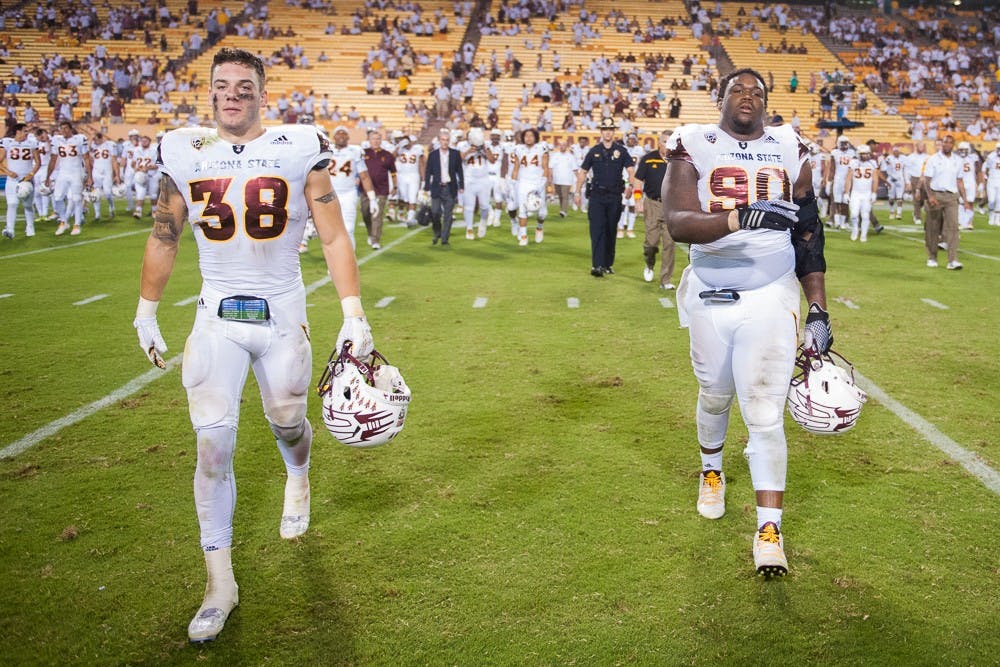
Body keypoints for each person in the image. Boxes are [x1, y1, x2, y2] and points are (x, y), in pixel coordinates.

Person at [132, 47, 376, 643]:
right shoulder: (183, 151)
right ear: (210, 93)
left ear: (262, 93)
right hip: (216, 312)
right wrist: (145, 311)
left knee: (288, 419)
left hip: (282, 310)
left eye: (244, 85)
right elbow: (165, 237)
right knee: (212, 448)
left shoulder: (297, 146)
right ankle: (220, 584)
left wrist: (353, 313)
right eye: (222, 85)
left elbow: (334, 233)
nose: (231, 94)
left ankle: (299, 473)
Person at [662, 68, 832, 577]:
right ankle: (711, 469)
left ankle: (769, 527)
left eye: (757, 91)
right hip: (711, 293)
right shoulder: (694, 143)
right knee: (714, 392)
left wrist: (818, 305)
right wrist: (742, 216)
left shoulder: (789, 145)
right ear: (719, 98)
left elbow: (808, 231)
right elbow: (677, 221)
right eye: (737, 89)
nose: (747, 96)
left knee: (763, 412)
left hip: (769, 293)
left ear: (767, 104)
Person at [575, 117, 635, 277]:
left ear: (613, 131)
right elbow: (583, 172)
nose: (607, 132)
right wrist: (577, 192)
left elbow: (630, 169)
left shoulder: (621, 151)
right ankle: (597, 265)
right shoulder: (593, 151)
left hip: (614, 196)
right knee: (596, 230)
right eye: (605, 129)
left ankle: (608, 264)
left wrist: (631, 185)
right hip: (596, 196)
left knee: (610, 230)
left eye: (610, 130)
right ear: (601, 132)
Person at [632, 130, 675, 289]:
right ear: (659, 143)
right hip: (652, 204)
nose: (667, 145)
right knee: (651, 242)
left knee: (670, 244)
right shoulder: (648, 159)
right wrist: (637, 201)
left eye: (671, 142)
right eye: (665, 141)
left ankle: (665, 280)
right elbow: (637, 181)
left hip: (672, 206)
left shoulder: (678, 160)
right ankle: (649, 264)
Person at [920, 135, 966, 270]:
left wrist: (965, 198)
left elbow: (959, 181)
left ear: (953, 145)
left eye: (950, 143)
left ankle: (952, 260)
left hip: (952, 197)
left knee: (953, 228)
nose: (947, 145)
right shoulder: (933, 159)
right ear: (942, 144)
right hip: (936, 195)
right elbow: (926, 180)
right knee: (932, 228)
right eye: (945, 142)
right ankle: (932, 257)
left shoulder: (958, 160)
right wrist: (930, 196)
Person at [46, 121, 92, 236]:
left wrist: (90, 176)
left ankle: (76, 224)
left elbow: (86, 158)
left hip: (76, 171)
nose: (64, 131)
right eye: (62, 128)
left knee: (76, 199)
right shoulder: (57, 140)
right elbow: (53, 159)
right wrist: (48, 176)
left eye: (66, 128)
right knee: (57, 197)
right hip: (63, 171)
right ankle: (63, 221)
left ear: (71, 129)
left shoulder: (80, 139)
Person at [423, 127, 463, 245]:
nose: (445, 142)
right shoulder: (433, 155)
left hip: (450, 187)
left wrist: (461, 185)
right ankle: (437, 232)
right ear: (439, 141)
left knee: (448, 215)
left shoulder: (455, 154)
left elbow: (459, 171)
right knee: (435, 212)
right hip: (436, 187)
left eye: (447, 140)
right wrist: (426, 187)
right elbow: (428, 171)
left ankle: (445, 239)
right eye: (442, 139)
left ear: (449, 141)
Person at [0, 123, 41, 238]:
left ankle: (30, 226)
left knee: (27, 205)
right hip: (12, 180)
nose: (27, 133)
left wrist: (31, 174)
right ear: (17, 132)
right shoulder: (7, 142)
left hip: (27, 180)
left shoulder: (31, 143)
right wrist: (8, 172)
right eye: (24, 131)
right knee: (12, 204)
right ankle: (10, 230)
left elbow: (38, 162)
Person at [510, 127, 549, 245]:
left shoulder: (542, 148)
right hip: (523, 182)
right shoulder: (518, 149)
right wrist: (513, 183)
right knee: (522, 209)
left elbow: (546, 167)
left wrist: (544, 182)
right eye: (526, 135)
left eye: (531, 135)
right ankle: (523, 236)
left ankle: (539, 227)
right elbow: (516, 167)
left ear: (535, 137)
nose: (528, 138)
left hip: (538, 182)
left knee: (542, 213)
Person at [360, 129, 394, 249]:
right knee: (365, 213)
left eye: (378, 138)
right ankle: (370, 232)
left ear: (381, 140)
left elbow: (393, 172)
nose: (376, 141)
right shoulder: (363, 153)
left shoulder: (387, 155)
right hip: (365, 190)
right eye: (373, 139)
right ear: (369, 140)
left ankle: (375, 240)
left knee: (377, 215)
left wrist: (395, 186)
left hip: (381, 190)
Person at [845, 144, 880, 242]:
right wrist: (846, 193)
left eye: (866, 153)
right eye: (863, 153)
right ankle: (855, 230)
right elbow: (848, 179)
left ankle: (863, 234)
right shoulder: (853, 163)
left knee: (865, 215)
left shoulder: (872, 163)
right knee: (854, 214)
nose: (865, 155)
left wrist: (874, 193)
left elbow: (875, 180)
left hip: (867, 193)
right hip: (855, 193)